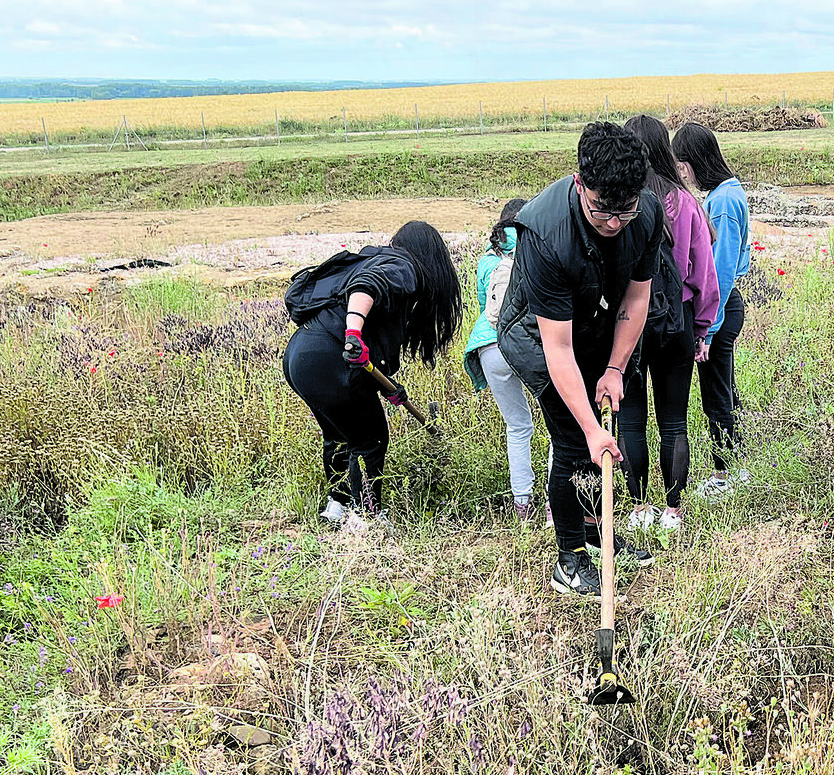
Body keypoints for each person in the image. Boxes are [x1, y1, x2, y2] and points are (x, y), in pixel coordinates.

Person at [496, 122, 664, 599]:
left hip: (592, 323)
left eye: (623, 211)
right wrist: (592, 428)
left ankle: (600, 534)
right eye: (601, 211)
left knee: (600, 428)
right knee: (576, 437)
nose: (613, 222)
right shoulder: (544, 232)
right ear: (578, 182)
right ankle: (569, 558)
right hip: (536, 335)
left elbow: (635, 299)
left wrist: (614, 369)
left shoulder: (646, 214)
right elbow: (557, 348)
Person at [282, 220, 462, 525]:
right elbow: (366, 286)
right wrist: (353, 331)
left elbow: (364, 356)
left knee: (340, 433)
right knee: (371, 438)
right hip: (331, 352)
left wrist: (388, 385)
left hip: (301, 355)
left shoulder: (377, 258)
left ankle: (337, 507)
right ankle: (365, 515)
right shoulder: (403, 265)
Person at [618, 115, 720, 532]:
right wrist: (703, 328)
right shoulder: (687, 202)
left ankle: (639, 507)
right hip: (676, 320)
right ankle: (673, 511)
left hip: (628, 322)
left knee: (631, 417)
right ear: (664, 149)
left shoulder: (621, 202)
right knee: (674, 421)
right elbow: (704, 275)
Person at [671, 122, 751, 497]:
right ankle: (735, 467)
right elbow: (738, 261)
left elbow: (717, 270)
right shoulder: (729, 193)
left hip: (719, 309)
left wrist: (708, 329)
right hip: (726, 304)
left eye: (682, 164)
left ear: (693, 162)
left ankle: (727, 475)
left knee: (716, 395)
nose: (681, 172)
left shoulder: (720, 202)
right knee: (725, 390)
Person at [462, 198, 540, 520]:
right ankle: (555, 503)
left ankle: (522, 505)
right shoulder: (536, 247)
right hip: (527, 343)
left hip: (488, 347)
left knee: (517, 427)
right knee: (557, 425)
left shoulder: (487, 261)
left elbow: (485, 309)